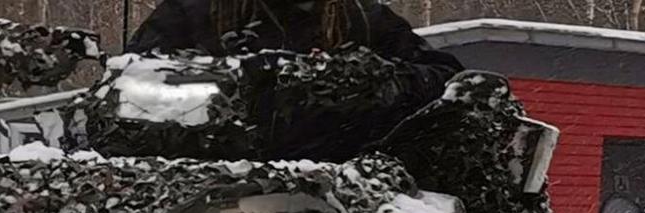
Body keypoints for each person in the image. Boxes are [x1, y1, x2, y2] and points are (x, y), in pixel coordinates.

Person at [125, 0, 463, 161]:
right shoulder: (194, 12)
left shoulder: (360, 18)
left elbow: (444, 79)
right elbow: (135, 80)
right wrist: (229, 83)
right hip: (213, 186)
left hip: (337, 188)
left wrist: (365, 81)